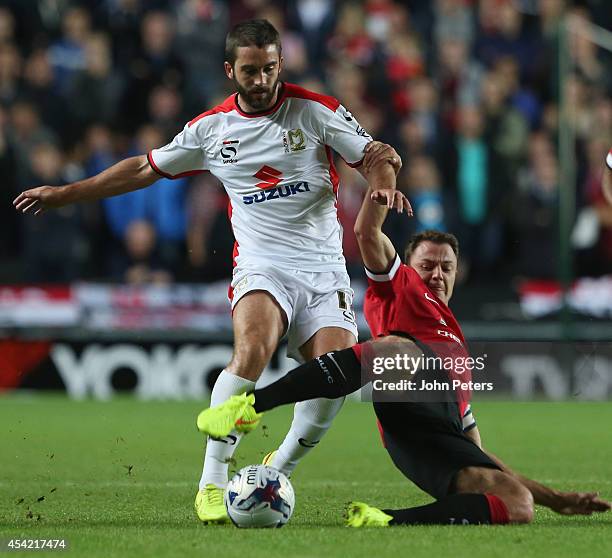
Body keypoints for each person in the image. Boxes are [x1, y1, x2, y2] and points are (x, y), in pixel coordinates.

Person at [13, 19, 405, 524]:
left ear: (280, 63)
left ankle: (277, 467)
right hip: (263, 265)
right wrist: (65, 193)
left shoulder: (315, 112)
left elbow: (376, 157)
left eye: (269, 68)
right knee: (253, 348)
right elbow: (142, 168)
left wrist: (381, 184)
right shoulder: (211, 130)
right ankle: (212, 482)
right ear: (230, 70)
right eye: (250, 71)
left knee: (335, 381)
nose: (261, 80)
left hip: (325, 270)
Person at [195, 189, 611, 526]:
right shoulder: (402, 287)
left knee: (515, 502)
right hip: (402, 388)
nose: (437, 273)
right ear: (408, 267)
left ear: (458, 272)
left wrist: (557, 500)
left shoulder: (457, 348)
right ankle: (248, 405)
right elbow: (366, 235)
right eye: (427, 264)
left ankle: (386, 520)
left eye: (446, 267)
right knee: (398, 349)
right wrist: (380, 193)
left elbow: (479, 454)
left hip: (422, 440)